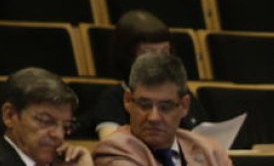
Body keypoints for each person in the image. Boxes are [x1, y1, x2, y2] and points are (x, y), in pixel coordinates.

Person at [93, 53, 274, 166]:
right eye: (145, 105)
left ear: (184, 106)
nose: (154, 117)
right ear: (128, 101)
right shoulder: (114, 150)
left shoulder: (208, 149)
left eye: (165, 107)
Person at [77, 10, 208, 140]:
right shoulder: (112, 99)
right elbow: (111, 145)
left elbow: (205, 136)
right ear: (128, 57)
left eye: (165, 52)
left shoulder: (182, 94)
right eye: (149, 54)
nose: (160, 61)